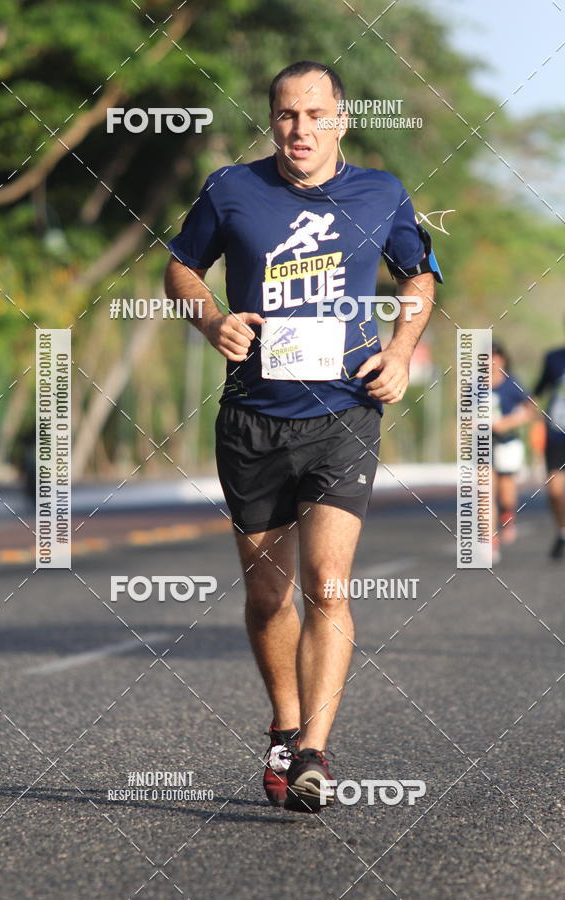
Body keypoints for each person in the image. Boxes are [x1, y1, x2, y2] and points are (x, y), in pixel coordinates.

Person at [164, 60, 442, 813]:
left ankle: (315, 751)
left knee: (327, 584)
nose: (301, 129)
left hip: (345, 415)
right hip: (253, 418)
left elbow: (419, 277)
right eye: (288, 114)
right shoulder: (232, 188)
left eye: (316, 114)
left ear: (341, 120)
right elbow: (181, 268)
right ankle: (284, 727)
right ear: (273, 120)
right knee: (266, 596)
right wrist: (212, 317)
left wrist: (402, 349)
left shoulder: (380, 192)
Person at [490, 342, 532, 562]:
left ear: (502, 360)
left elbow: (529, 410)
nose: (489, 363)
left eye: (493, 358)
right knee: (485, 492)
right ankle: (490, 542)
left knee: (506, 491)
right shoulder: (474, 386)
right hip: (484, 445)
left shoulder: (512, 383)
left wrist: (507, 423)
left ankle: (508, 514)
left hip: (508, 442)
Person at [532, 331, 565, 559]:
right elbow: (538, 391)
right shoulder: (553, 358)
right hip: (556, 435)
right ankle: (562, 532)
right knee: (554, 489)